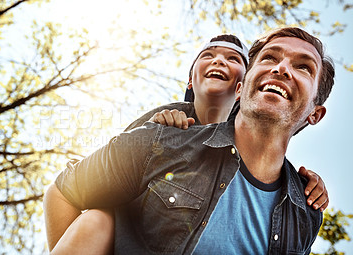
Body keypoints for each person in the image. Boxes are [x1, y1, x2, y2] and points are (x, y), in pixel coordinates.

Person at [43, 27, 334, 254]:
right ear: (242, 87)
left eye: (304, 67)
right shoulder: (162, 139)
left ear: (315, 114)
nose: (281, 68)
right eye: (270, 57)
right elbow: (64, 192)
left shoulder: (305, 213)